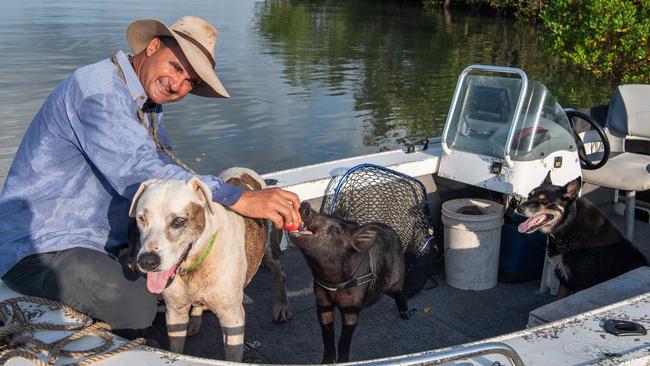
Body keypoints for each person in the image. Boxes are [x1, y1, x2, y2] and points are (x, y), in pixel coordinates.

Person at [0, 16, 301, 339]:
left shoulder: (148, 105)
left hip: (103, 242)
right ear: (153, 46)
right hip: (43, 247)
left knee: (167, 275)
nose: (177, 84)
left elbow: (164, 182)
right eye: (175, 67)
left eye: (190, 81)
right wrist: (241, 197)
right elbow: (148, 171)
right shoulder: (98, 92)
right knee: (137, 307)